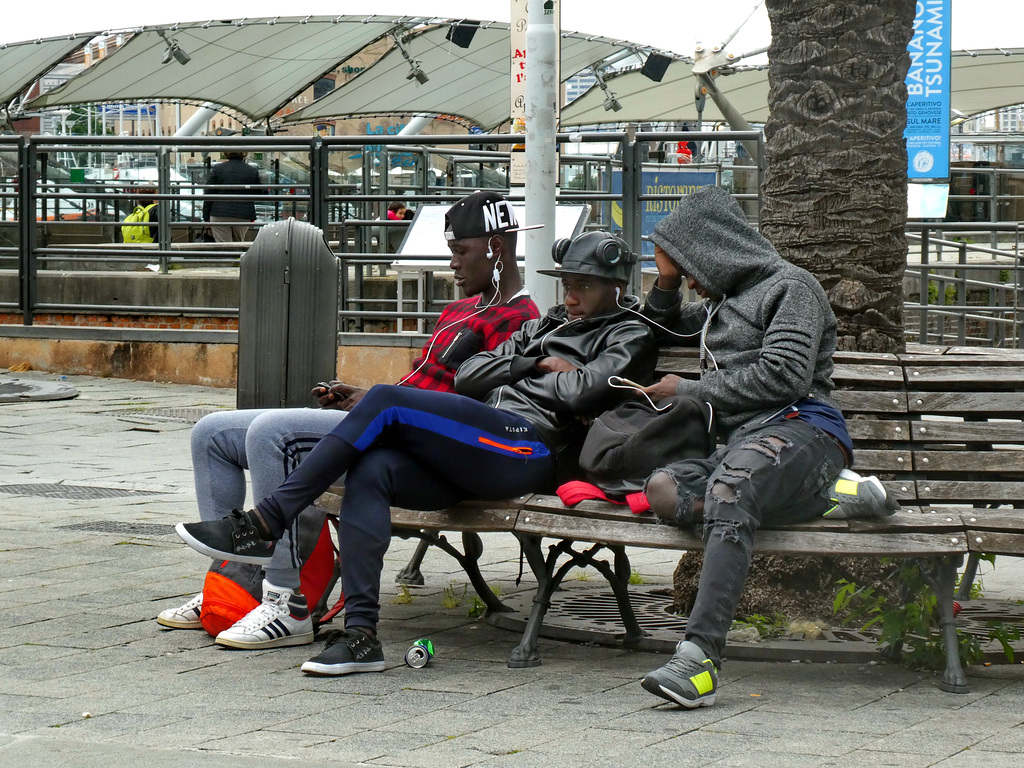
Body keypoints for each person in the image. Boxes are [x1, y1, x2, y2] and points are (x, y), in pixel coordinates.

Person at [174, 228, 658, 675]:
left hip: (526, 447)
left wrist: (523, 370)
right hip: (479, 446)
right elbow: (469, 374)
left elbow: (583, 391)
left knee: (385, 399)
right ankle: (363, 636)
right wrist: (534, 363)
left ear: (616, 286)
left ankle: (265, 522)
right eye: (567, 284)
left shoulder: (629, 333)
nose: (570, 297)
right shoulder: (546, 327)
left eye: (584, 287)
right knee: (373, 465)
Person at [157, 190, 541, 648]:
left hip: (416, 445)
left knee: (270, 435)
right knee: (212, 432)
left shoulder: (520, 318)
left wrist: (384, 406)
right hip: (383, 419)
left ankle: (287, 604)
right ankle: (235, 582)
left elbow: (468, 413)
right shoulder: (461, 307)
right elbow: (418, 383)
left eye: (460, 252)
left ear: (495, 249)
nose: (452, 264)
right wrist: (359, 396)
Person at [635, 186, 898, 710]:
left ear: (714, 249)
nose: (688, 279)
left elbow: (784, 374)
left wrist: (688, 390)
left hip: (802, 428)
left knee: (731, 488)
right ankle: (830, 498)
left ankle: (699, 660)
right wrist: (664, 280)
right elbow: (659, 330)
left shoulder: (790, 288)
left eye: (688, 265)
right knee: (664, 490)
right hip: (746, 446)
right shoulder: (720, 301)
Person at [202, 151, 261, 243]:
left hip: (219, 213)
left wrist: (206, 216)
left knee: (223, 245)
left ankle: (227, 257)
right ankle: (237, 257)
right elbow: (258, 192)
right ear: (244, 154)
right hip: (243, 213)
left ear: (226, 154)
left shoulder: (218, 168)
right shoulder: (251, 170)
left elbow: (209, 192)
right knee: (239, 243)